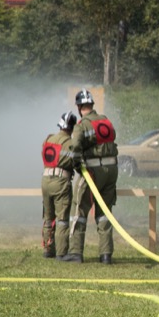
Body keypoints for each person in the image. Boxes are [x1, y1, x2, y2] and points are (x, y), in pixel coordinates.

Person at [64, 89, 119, 264]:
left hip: (92, 172)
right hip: (111, 171)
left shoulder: (81, 125)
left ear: (79, 107)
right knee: (105, 212)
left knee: (79, 209)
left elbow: (75, 147)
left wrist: (76, 165)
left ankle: (75, 252)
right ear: (92, 105)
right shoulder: (106, 121)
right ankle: (106, 254)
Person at [42, 111, 79, 259]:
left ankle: (48, 250)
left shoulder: (49, 139)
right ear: (72, 127)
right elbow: (76, 162)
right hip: (61, 182)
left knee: (48, 217)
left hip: (45, 181)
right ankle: (62, 253)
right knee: (62, 219)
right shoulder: (71, 144)